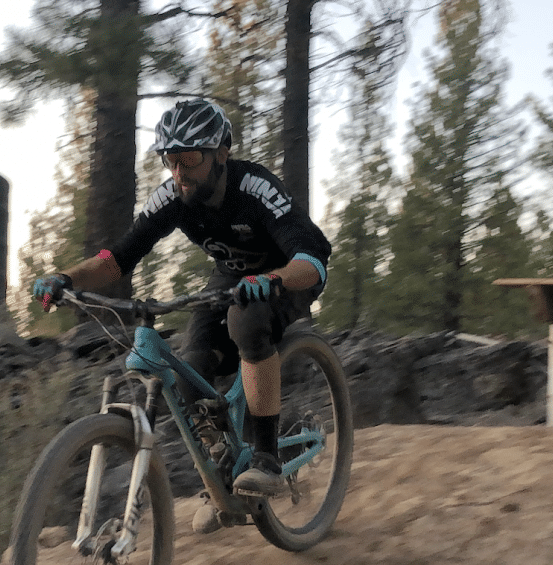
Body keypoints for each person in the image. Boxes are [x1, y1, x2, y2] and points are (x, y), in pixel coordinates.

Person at [32, 99, 331, 532]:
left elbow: (312, 258)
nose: (178, 171)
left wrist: (273, 279)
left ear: (221, 154)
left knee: (247, 323)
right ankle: (222, 479)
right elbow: (117, 259)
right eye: (170, 160)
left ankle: (266, 457)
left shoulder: (255, 188)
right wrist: (65, 278)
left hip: (289, 272)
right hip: (232, 276)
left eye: (189, 159)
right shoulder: (173, 197)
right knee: (190, 371)